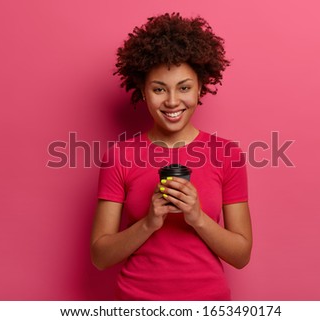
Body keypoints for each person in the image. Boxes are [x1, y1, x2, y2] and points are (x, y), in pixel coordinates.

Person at [91, 12, 252, 300]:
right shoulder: (119, 156)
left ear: (201, 87)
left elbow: (241, 255)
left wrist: (197, 217)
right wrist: (149, 222)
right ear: (142, 90)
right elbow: (100, 256)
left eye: (184, 87)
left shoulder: (228, 154)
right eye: (158, 89)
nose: (173, 101)